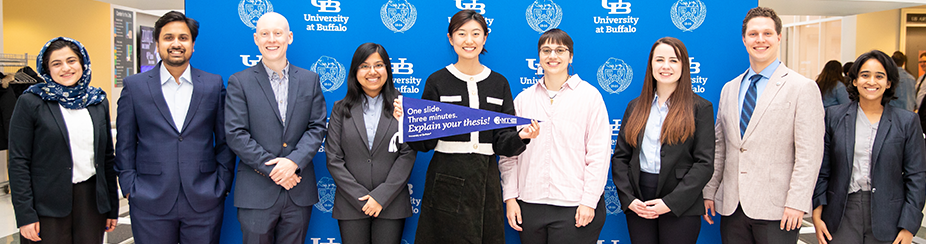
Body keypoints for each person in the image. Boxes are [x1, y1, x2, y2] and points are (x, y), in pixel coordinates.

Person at [392, 9, 539, 243]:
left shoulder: (499, 83)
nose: (469, 41)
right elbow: (425, 143)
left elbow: (503, 142)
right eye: (461, 34)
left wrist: (522, 136)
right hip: (446, 176)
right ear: (451, 39)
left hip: (486, 179)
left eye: (475, 34)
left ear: (485, 38)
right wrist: (408, 122)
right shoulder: (437, 81)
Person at [701, 7, 825, 244]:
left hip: (779, 210)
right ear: (744, 39)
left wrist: (797, 203)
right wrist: (710, 191)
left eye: (767, 33)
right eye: (753, 34)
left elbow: (809, 155)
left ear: (779, 37)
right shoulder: (730, 89)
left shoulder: (802, 88)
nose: (760, 40)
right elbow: (721, 147)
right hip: (732, 206)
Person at [115, 11, 235, 244]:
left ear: (192, 45)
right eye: (168, 38)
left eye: (183, 38)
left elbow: (225, 141)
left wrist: (222, 184)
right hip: (149, 198)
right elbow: (125, 144)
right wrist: (130, 187)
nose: (176, 44)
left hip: (204, 198)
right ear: (157, 43)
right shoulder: (134, 86)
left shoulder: (212, 84)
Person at [498, 29, 609, 244]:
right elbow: (510, 155)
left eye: (560, 50)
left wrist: (589, 201)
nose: (552, 56)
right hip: (529, 204)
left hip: (574, 206)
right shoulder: (523, 99)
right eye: (546, 50)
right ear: (538, 56)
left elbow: (599, 154)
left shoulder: (589, 97)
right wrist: (510, 197)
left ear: (571, 56)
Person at [225, 12, 328, 244]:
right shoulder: (239, 82)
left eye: (277, 33)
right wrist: (275, 170)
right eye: (265, 34)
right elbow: (236, 134)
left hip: (298, 191)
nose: (272, 39)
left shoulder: (310, 80)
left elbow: (317, 127)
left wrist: (293, 163)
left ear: (289, 37)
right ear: (256, 39)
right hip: (256, 192)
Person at [9, 37, 118, 243]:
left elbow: (106, 159)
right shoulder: (31, 101)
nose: (65, 68)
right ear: (46, 69)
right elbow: (18, 161)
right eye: (56, 63)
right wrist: (25, 215)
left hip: (92, 202)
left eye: (71, 61)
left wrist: (112, 206)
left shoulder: (97, 101)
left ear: (82, 63)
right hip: (46, 205)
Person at [812, 50, 926, 244]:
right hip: (841, 213)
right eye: (865, 75)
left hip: (889, 216)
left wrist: (909, 226)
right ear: (855, 81)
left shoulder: (907, 121)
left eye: (879, 76)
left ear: (888, 83)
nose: (871, 81)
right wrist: (817, 211)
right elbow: (823, 169)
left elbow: (917, 176)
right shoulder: (834, 117)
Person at [611, 37, 715, 244]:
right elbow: (621, 158)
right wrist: (629, 200)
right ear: (651, 65)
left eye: (673, 60)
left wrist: (670, 202)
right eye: (659, 60)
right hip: (639, 200)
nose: (665, 66)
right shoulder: (635, 107)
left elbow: (704, 163)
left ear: (684, 65)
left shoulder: (700, 108)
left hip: (681, 203)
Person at [326, 43, 416, 244]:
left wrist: (381, 197)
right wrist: (362, 198)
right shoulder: (340, 109)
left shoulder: (404, 106)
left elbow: (407, 155)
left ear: (387, 70)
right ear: (355, 71)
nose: (372, 72)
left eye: (378, 65)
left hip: (391, 204)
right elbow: (333, 158)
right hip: (351, 204)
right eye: (365, 66)